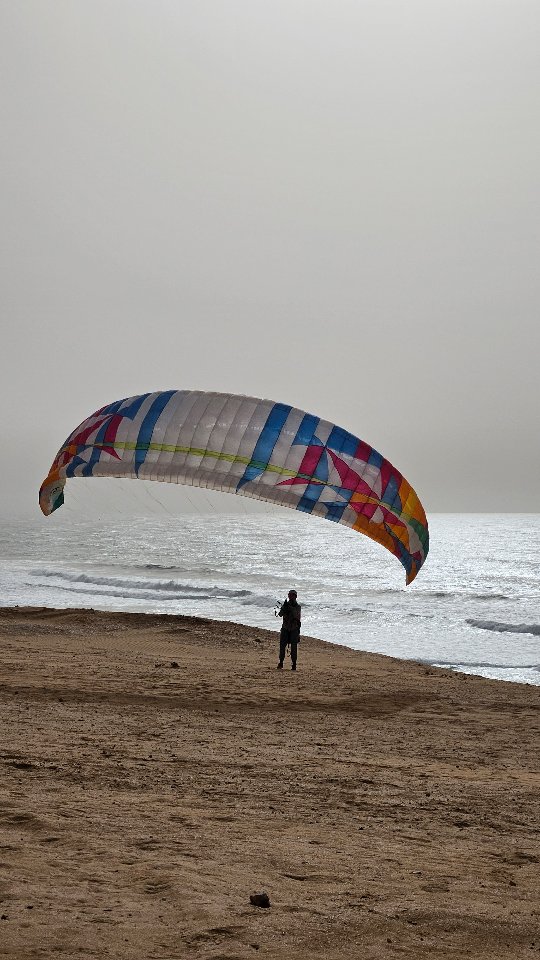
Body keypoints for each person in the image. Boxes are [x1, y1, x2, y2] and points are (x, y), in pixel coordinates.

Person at [277, 590, 301, 670]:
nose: (290, 597)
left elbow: (297, 616)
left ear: (295, 596)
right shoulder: (285, 605)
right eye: (289, 595)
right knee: (282, 646)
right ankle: (281, 662)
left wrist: (290, 608)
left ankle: (294, 664)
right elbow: (280, 615)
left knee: (294, 648)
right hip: (285, 628)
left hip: (294, 629)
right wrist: (283, 608)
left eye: (292, 595)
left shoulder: (298, 606)